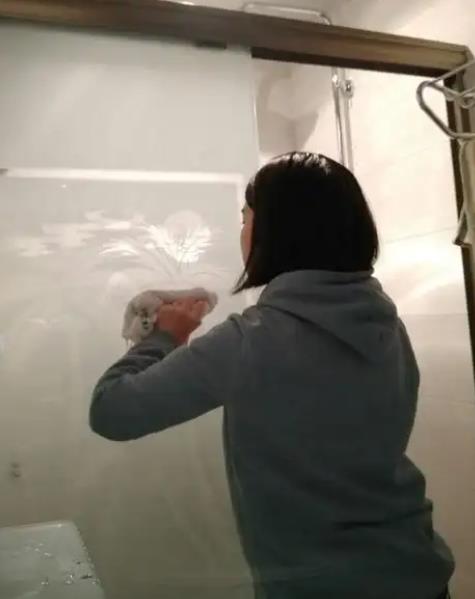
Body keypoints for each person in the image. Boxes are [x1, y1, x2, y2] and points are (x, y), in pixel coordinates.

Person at [90, 152, 453, 599]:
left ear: (274, 231)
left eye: (246, 218)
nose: (241, 231)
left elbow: (112, 410)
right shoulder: (387, 323)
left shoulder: (250, 340)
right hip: (417, 572)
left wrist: (164, 336)